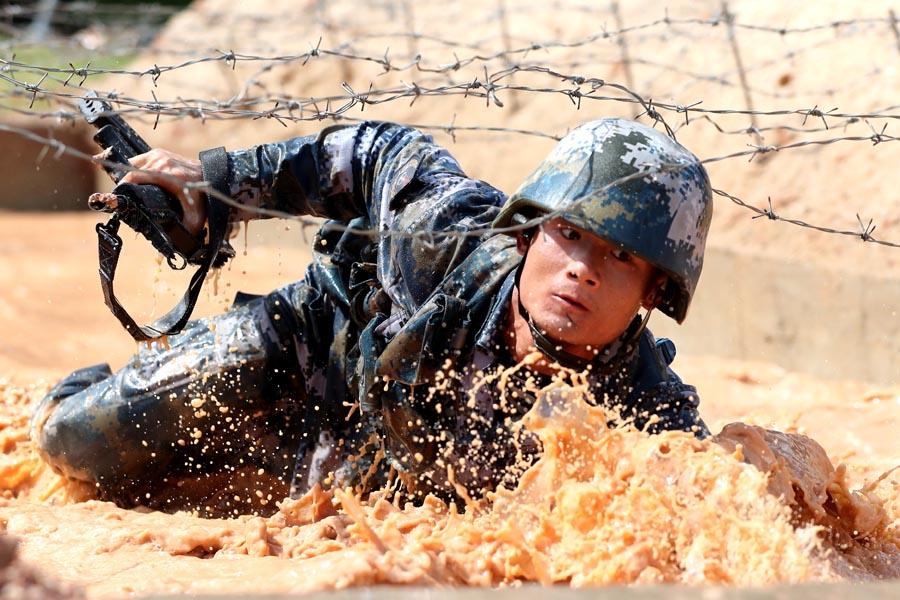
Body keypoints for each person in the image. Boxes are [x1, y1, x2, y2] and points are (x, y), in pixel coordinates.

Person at [31, 118, 713, 515]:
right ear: (529, 232)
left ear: (654, 292)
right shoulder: (445, 237)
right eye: (569, 233)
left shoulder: (645, 411)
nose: (583, 270)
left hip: (359, 471)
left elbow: (714, 517)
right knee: (77, 449)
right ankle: (70, 390)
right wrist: (216, 189)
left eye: (621, 257)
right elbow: (374, 153)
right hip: (299, 361)